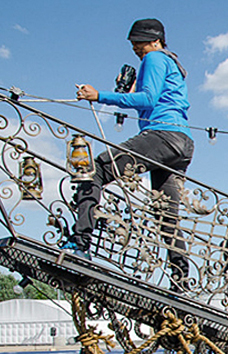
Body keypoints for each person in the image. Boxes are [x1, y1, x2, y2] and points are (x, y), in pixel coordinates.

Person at [62, 18, 194, 291]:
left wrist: (99, 96)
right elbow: (154, 99)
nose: (135, 48)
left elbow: (149, 99)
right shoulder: (172, 63)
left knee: (95, 169)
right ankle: (181, 282)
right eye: (133, 44)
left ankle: (80, 244)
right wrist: (131, 92)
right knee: (166, 214)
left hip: (163, 136)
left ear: (154, 40)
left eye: (139, 43)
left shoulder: (154, 58)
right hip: (182, 143)